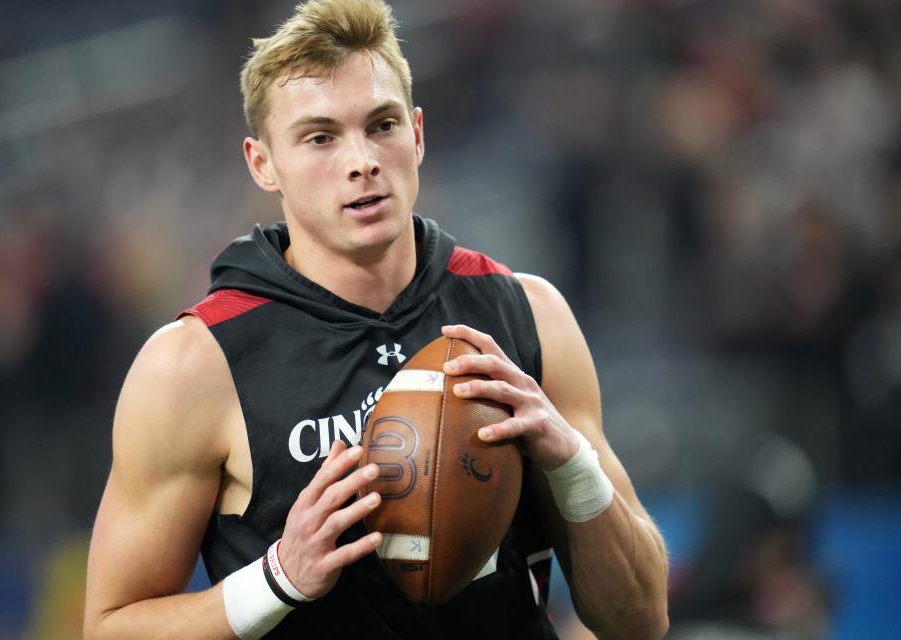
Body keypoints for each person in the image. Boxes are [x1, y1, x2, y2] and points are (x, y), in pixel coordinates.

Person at [82, 0, 669, 638]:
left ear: (417, 134)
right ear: (262, 163)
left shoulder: (529, 313)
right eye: (320, 137)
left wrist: (570, 462)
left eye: (382, 125)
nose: (361, 160)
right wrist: (275, 580)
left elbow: (640, 619)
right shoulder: (194, 364)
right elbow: (110, 627)